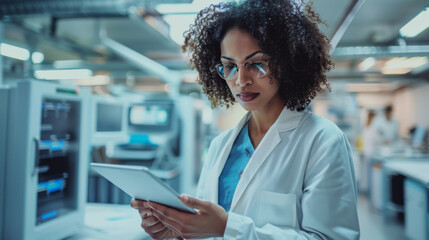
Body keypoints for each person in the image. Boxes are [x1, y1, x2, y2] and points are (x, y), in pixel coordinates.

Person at [131, 0, 360, 239]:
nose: (241, 80)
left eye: (256, 64)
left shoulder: (322, 141)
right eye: (229, 66)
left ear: (287, 61)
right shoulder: (221, 146)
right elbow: (208, 230)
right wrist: (178, 232)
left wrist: (228, 227)